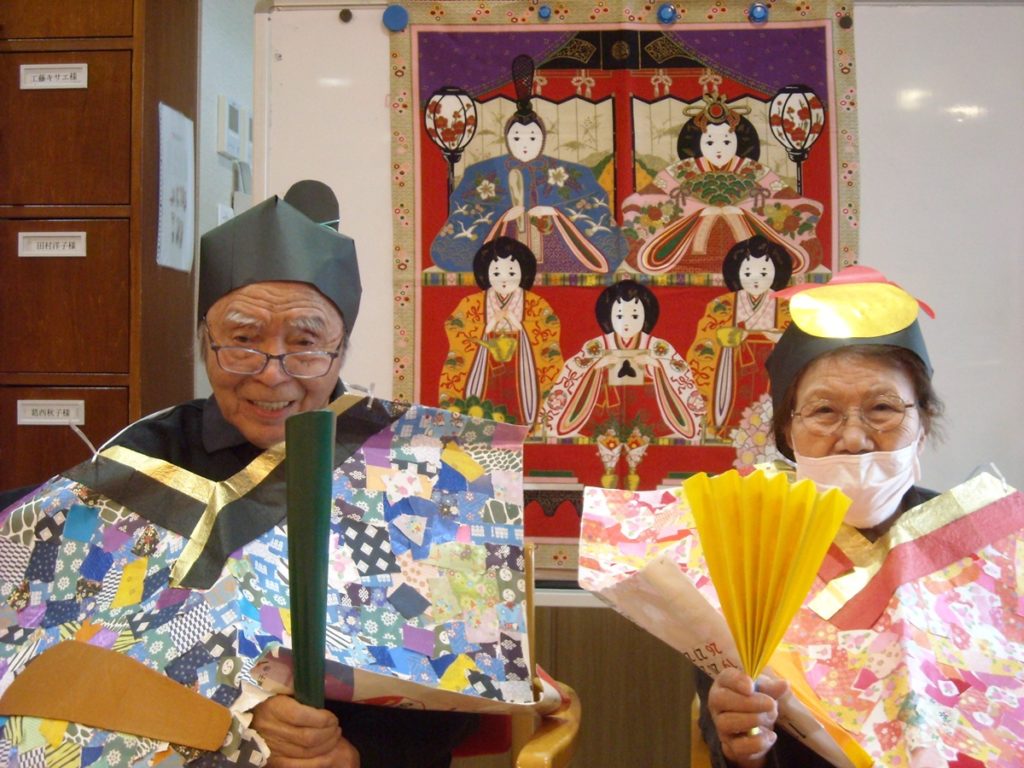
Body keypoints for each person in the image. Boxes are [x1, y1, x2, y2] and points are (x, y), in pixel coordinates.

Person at [0, 183, 478, 767]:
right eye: (243, 341)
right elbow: (68, 634)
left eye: (305, 344)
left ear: (341, 350)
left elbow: (457, 671)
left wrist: (354, 754)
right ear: (206, 343)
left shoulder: (405, 470)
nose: (272, 374)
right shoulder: (144, 458)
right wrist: (234, 714)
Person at [697, 265, 945, 767]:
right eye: (824, 412)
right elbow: (729, 736)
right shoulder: (746, 552)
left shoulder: (976, 546)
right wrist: (742, 744)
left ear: (922, 425)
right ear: (788, 435)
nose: (854, 438)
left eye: (883, 408)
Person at [429, 54, 626, 274]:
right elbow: (463, 211)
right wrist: (503, 216)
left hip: (557, 253)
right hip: (502, 263)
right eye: (516, 137)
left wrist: (555, 212)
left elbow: (594, 205)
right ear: (507, 138)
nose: (524, 144)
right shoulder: (482, 173)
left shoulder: (568, 172)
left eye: (532, 137)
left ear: (543, 139)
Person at [620, 89, 823, 276]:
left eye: (727, 141)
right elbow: (651, 198)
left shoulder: (753, 170)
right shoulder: (683, 170)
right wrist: (698, 210)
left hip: (748, 244)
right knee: (653, 255)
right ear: (697, 142)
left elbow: (783, 199)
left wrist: (744, 210)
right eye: (710, 142)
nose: (719, 148)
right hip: (690, 240)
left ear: (739, 141)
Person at [541, 279, 706, 449]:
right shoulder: (597, 345)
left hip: (649, 409)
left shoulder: (657, 346)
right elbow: (574, 367)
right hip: (604, 411)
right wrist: (596, 366)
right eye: (620, 316)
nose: (627, 322)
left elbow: (680, 370)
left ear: (646, 317)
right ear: (609, 317)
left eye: (634, 316)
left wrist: (657, 365)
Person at [439, 236, 563, 431]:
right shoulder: (471, 303)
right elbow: (456, 328)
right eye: (496, 272)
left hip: (521, 361)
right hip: (485, 360)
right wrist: (489, 326)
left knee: (517, 400)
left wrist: (517, 324)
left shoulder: (536, 303)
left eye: (511, 272)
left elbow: (550, 327)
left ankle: (524, 425)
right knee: (485, 401)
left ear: (523, 273)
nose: (504, 279)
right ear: (485, 274)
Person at [685, 235, 792, 442]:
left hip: (769, 368)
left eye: (764, 273)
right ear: (737, 273)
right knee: (734, 409)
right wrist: (729, 337)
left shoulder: (785, 306)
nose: (756, 279)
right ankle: (727, 429)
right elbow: (706, 341)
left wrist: (773, 335)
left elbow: (796, 341)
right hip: (731, 367)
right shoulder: (722, 304)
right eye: (748, 272)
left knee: (769, 413)